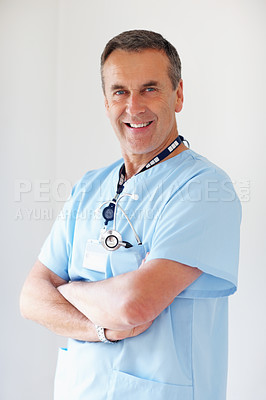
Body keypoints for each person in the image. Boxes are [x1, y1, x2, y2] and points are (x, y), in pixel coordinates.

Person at [20, 30, 241, 400]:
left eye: (150, 89)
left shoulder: (206, 189)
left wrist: (68, 290)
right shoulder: (90, 187)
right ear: (106, 101)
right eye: (120, 91)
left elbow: (133, 304)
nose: (134, 106)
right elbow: (31, 298)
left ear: (179, 94)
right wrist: (102, 328)